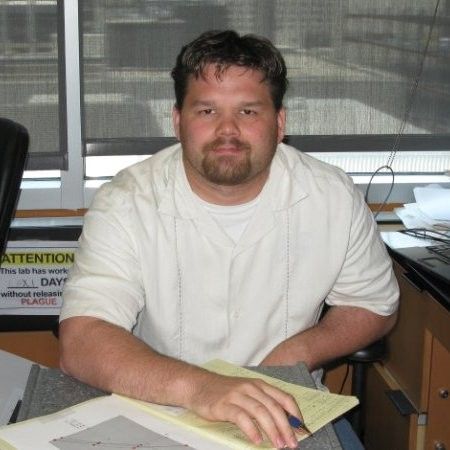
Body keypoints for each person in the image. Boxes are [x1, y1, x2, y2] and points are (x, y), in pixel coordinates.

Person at [59, 30, 399, 449]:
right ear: (177, 121)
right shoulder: (125, 201)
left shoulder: (333, 196)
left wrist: (293, 356)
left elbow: (373, 305)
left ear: (279, 123)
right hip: (161, 409)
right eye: (207, 110)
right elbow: (83, 338)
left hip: (285, 410)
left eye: (248, 111)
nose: (227, 130)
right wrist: (201, 388)